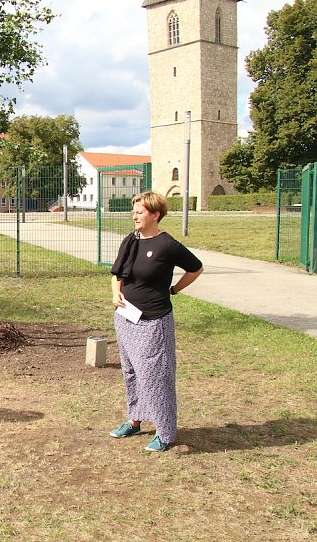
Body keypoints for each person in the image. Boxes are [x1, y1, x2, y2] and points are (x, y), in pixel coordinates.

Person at [109, 191, 203, 452]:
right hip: (126, 318)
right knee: (131, 372)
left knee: (156, 377)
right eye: (134, 211)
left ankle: (165, 431)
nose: (134, 216)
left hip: (153, 322)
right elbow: (117, 273)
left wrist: (174, 289)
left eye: (139, 212)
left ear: (155, 214)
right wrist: (116, 292)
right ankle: (135, 420)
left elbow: (196, 268)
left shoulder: (167, 245)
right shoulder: (131, 241)